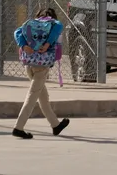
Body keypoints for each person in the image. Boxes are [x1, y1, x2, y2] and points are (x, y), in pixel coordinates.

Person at [11, 8, 70, 139]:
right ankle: (18, 127)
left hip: (29, 64)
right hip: (42, 66)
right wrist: (48, 43)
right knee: (32, 96)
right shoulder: (55, 24)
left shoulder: (31, 24)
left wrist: (23, 45)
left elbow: (17, 32)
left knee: (43, 98)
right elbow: (59, 27)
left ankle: (55, 125)